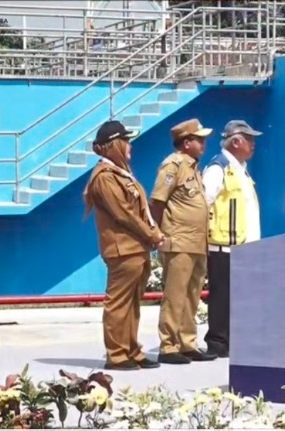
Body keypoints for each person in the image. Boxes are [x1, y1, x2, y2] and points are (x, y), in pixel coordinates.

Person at [83, 120, 164, 371]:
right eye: (125, 141)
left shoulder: (121, 173)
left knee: (132, 303)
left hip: (135, 248)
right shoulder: (104, 177)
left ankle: (131, 349)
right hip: (122, 249)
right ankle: (117, 354)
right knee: (119, 303)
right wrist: (152, 234)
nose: (130, 146)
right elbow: (124, 214)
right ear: (113, 146)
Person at [149, 118, 217, 364]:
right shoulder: (173, 165)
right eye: (199, 139)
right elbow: (157, 201)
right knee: (175, 295)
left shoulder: (193, 167)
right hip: (178, 240)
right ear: (186, 143)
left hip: (197, 242)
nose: (203, 143)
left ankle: (187, 342)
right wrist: (156, 234)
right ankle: (168, 345)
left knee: (192, 295)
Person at [202, 119, 263, 358]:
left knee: (238, 297)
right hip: (223, 246)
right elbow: (203, 203)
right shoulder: (219, 168)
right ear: (236, 141)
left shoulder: (240, 168)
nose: (253, 144)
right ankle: (218, 343)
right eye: (250, 139)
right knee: (221, 297)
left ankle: (233, 340)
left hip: (242, 246)